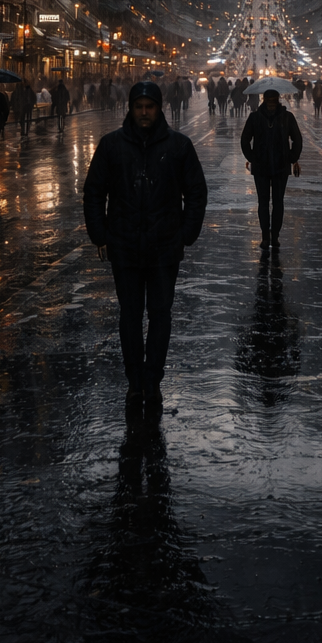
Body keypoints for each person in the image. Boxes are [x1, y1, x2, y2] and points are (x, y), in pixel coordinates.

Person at [83, 81, 207, 414]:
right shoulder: (111, 145)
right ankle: (134, 381)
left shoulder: (179, 146)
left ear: (158, 108)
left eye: (149, 106)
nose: (143, 112)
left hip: (164, 247)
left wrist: (185, 234)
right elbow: (94, 191)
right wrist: (100, 235)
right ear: (131, 108)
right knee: (130, 315)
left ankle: (153, 380)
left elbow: (196, 192)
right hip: (124, 246)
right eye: (138, 106)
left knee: (160, 314)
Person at [240, 88, 302, 248]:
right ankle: (273, 236)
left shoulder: (255, 117)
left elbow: (245, 140)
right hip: (278, 167)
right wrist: (291, 158)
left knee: (265, 202)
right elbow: (297, 139)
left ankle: (267, 237)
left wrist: (252, 157)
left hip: (264, 167)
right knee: (276, 202)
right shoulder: (286, 117)